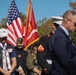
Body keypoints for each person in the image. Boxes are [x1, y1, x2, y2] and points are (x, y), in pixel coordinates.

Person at [49, 10, 76, 75]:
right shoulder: (59, 37)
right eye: (75, 24)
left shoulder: (64, 36)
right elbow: (67, 62)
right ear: (67, 21)